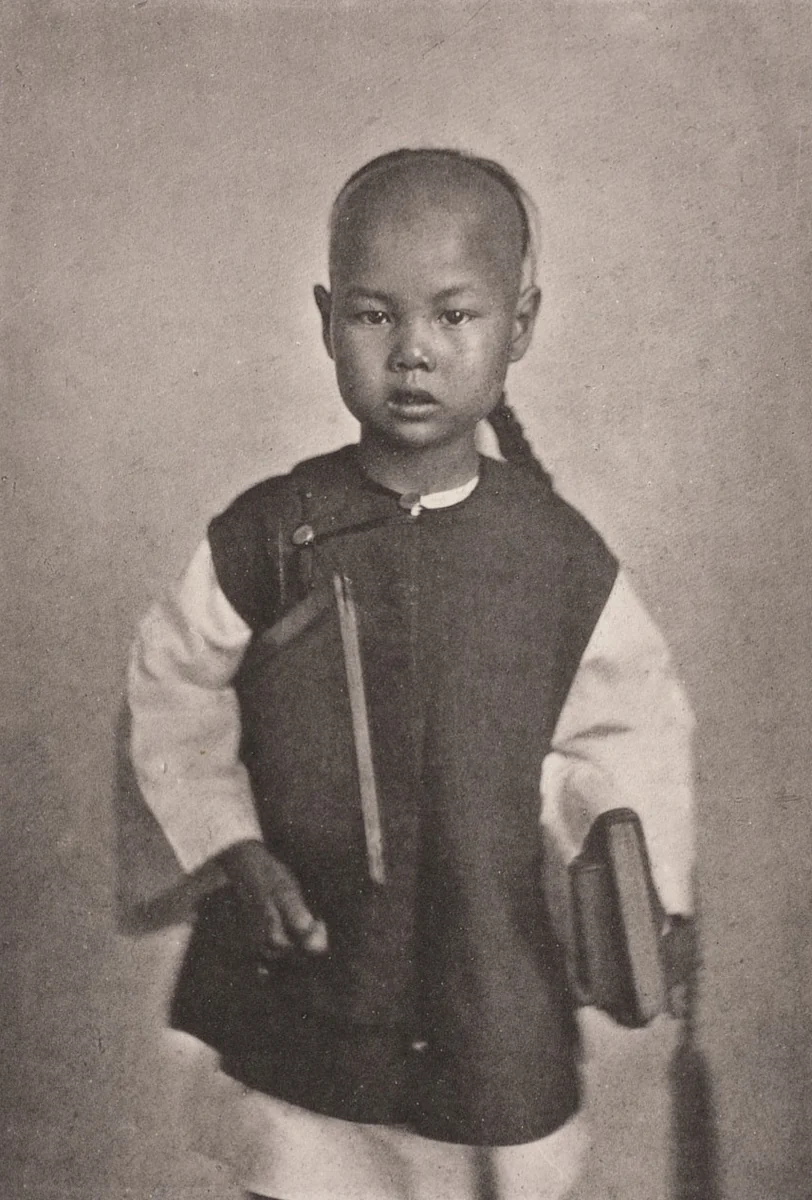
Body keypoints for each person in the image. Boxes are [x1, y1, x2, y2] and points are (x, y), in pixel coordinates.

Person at [127, 148, 696, 1200]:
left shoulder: (556, 556)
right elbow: (173, 686)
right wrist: (231, 844)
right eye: (373, 315)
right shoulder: (271, 532)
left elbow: (625, 733)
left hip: (488, 981)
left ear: (517, 325)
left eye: (453, 315)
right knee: (303, 1164)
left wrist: (638, 891)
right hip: (311, 969)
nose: (413, 355)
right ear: (323, 317)